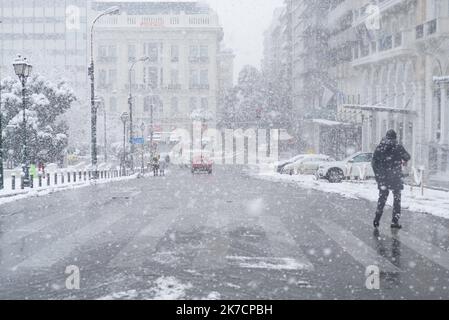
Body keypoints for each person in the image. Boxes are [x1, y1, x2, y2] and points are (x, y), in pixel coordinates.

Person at [372, 129, 411, 230]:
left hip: (383, 178)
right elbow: (407, 156)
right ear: (395, 137)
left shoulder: (380, 147)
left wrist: (378, 176)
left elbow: (374, 163)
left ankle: (377, 219)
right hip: (395, 178)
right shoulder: (398, 147)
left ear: (386, 136)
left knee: (382, 199)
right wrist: (403, 159)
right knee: (397, 200)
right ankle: (395, 221)